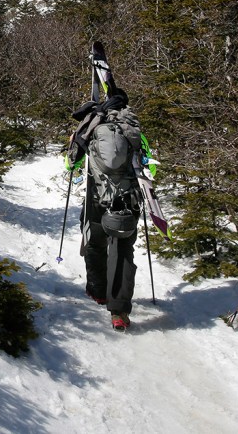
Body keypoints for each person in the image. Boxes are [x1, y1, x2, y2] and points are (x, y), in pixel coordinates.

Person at [66, 85, 144, 331]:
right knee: (123, 250)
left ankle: (98, 291)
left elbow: (71, 165)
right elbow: (149, 167)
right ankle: (119, 311)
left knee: (95, 241)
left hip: (96, 198)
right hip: (128, 200)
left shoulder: (91, 126)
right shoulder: (134, 129)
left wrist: (73, 144)